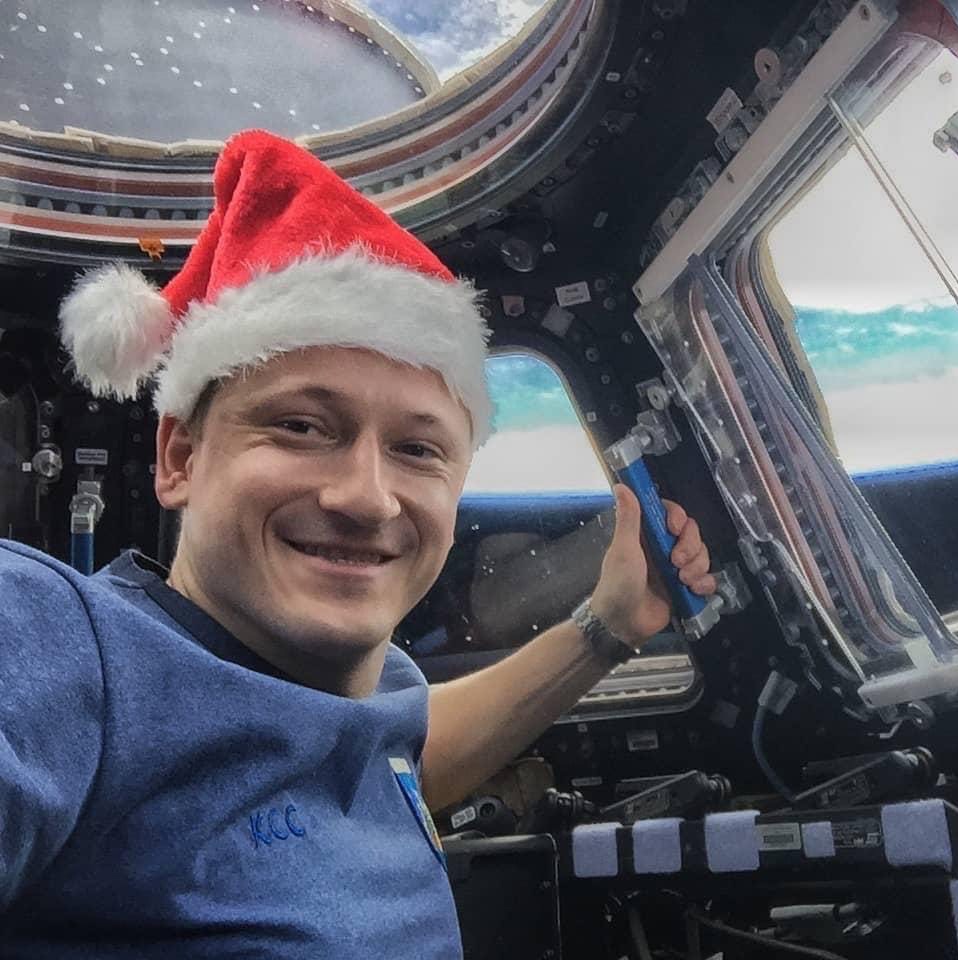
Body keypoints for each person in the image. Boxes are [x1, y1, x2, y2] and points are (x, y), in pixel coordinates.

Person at [0, 130, 716, 957]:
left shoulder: (376, 688)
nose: (367, 498)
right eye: (302, 427)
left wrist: (608, 627)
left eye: (417, 448)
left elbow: (390, 758)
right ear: (180, 457)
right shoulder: (59, 644)